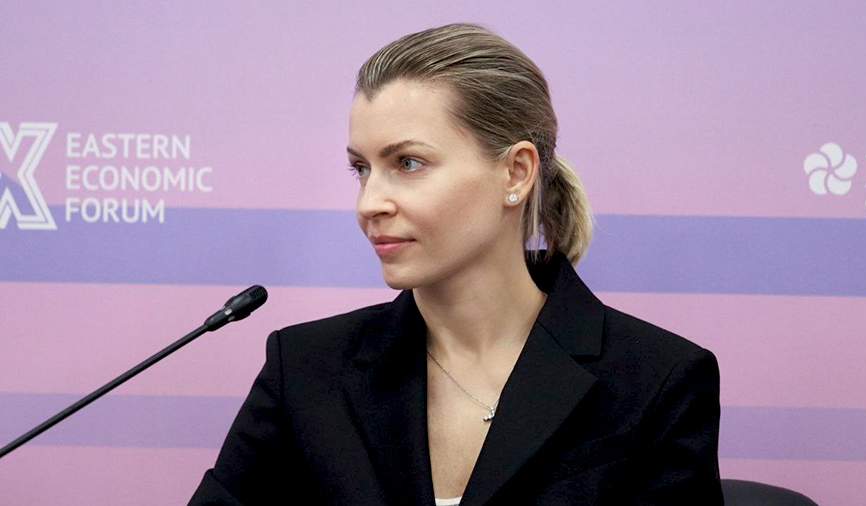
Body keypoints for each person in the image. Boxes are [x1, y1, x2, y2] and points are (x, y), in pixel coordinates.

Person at [190, 23, 723, 505]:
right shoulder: (307, 369)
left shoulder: (658, 379)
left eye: (408, 163)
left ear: (516, 173)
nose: (369, 203)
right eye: (361, 169)